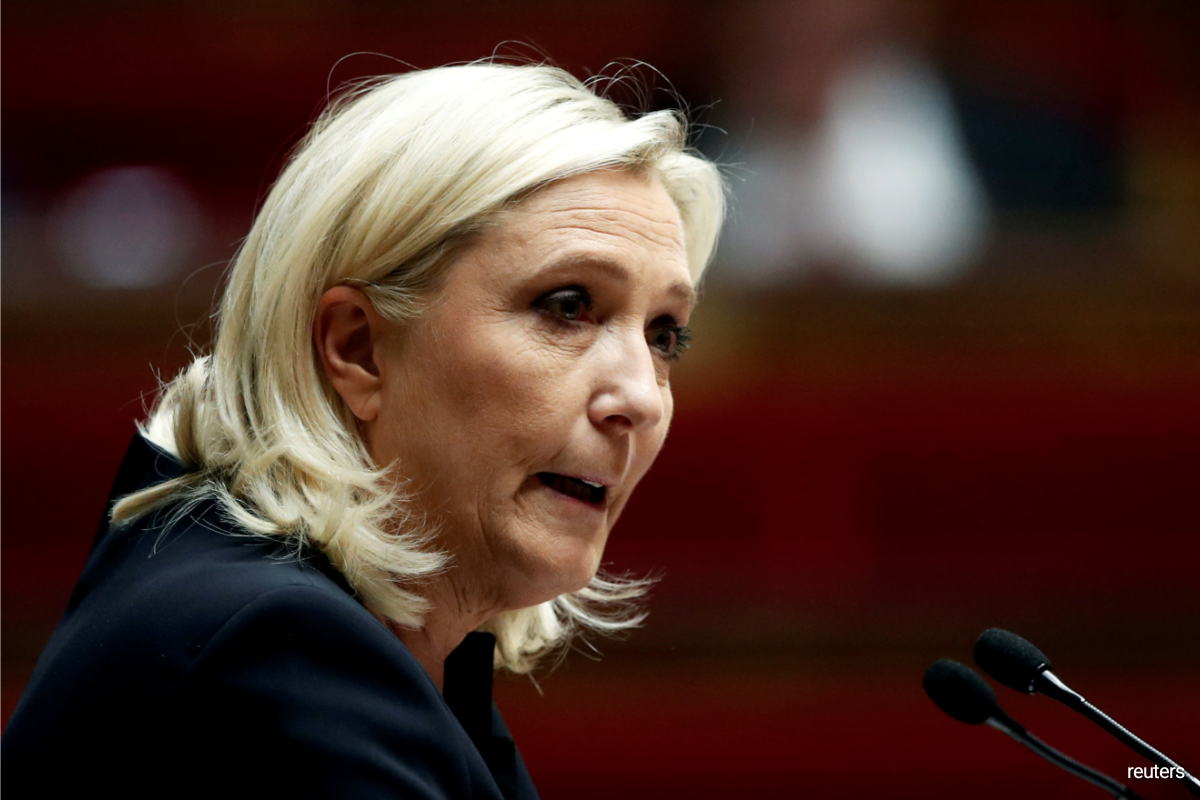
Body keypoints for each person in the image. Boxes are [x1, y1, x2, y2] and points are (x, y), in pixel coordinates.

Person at [0, 62, 724, 798]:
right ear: (358, 350)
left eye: (665, 335)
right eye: (567, 306)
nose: (641, 396)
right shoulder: (278, 653)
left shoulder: (369, 651)